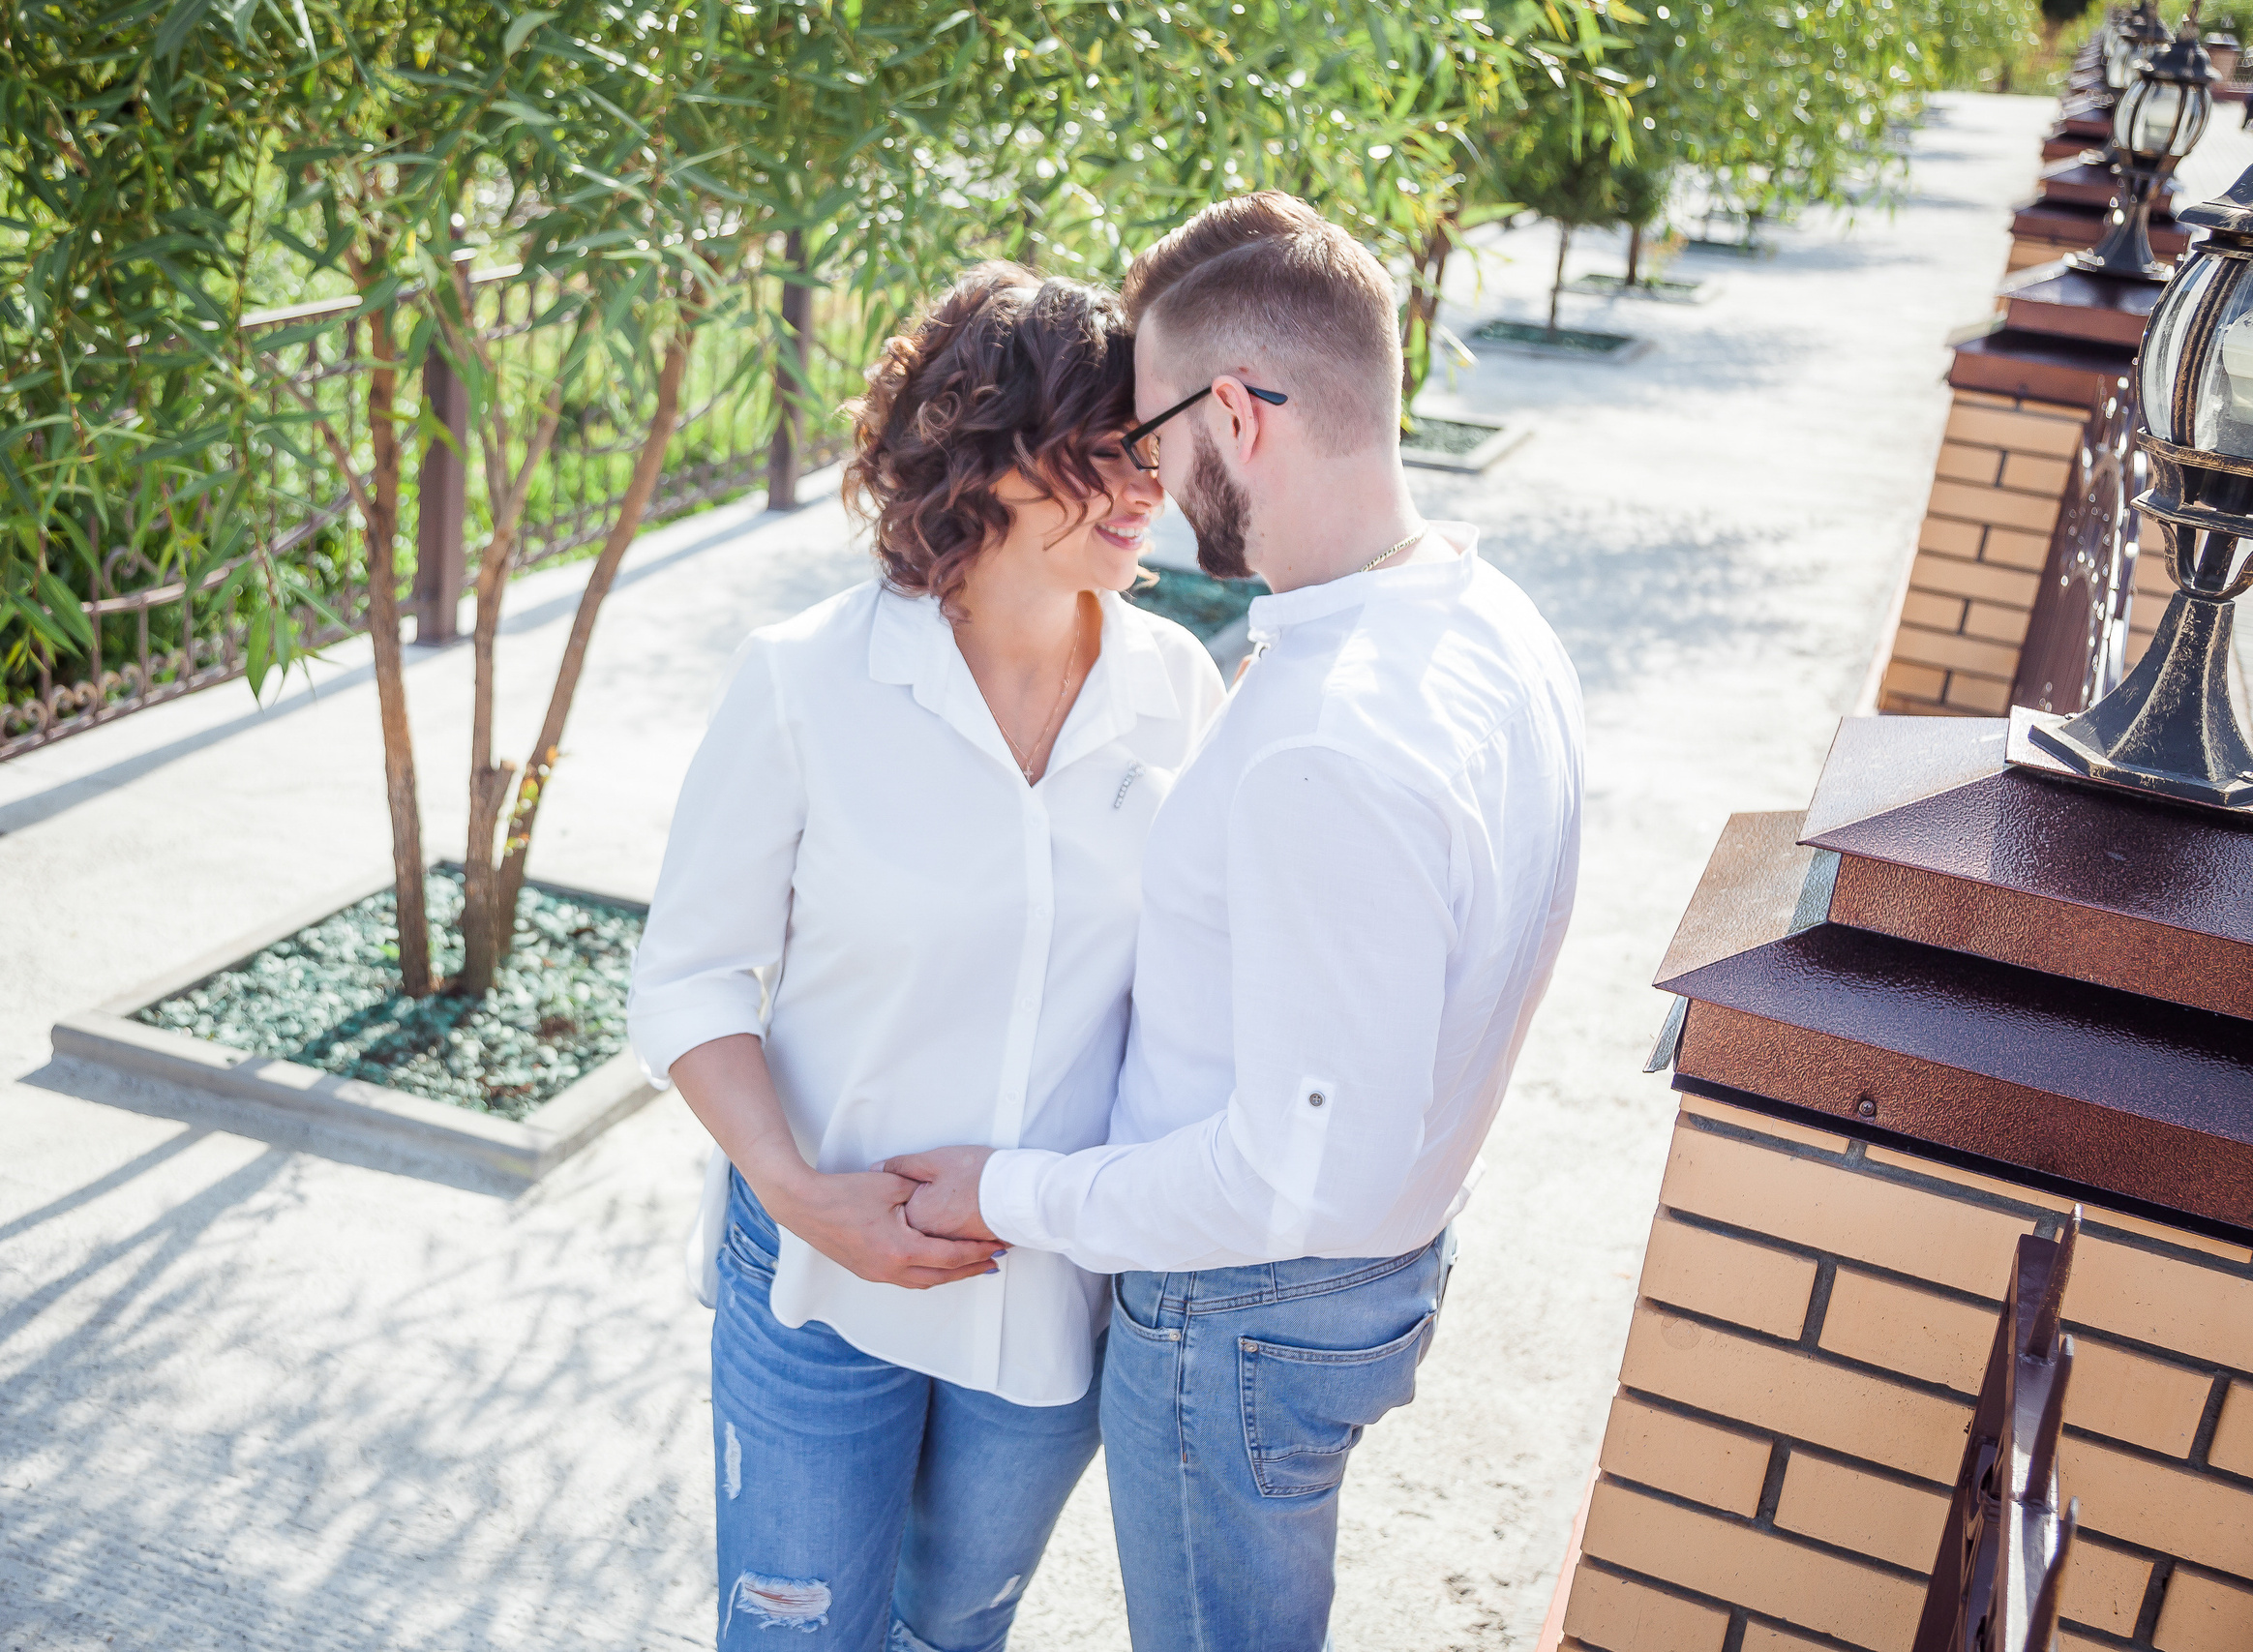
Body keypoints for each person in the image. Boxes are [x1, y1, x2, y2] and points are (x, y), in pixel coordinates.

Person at [885, 193, 1587, 1651]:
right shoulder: (1489, 625)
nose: (1142, 480)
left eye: (1150, 436)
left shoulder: (1327, 744)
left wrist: (1013, 1194)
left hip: (1239, 1319)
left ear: (1241, 417)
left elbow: (1289, 1179)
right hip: (1363, 1279)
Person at [626, 262, 1226, 1652]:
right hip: (817, 1284)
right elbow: (689, 978)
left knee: (950, 1635)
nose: (1147, 490)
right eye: (1103, 455)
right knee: (795, 1637)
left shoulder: (1177, 691)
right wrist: (796, 1193)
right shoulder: (806, 682)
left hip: (1049, 1293)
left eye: (1151, 451)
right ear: (986, 461)